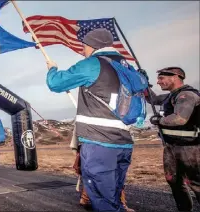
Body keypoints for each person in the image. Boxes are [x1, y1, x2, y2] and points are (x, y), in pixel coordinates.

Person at [46, 28, 140, 211]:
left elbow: (55, 83)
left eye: (84, 46)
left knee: (103, 198)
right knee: (115, 195)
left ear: (91, 46)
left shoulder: (92, 64)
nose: (82, 50)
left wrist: (52, 69)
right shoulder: (128, 67)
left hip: (99, 143)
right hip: (124, 142)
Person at [144, 67, 200, 211]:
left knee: (195, 184)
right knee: (173, 181)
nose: (158, 82)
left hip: (190, 149)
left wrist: (159, 120)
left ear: (175, 77)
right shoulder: (170, 96)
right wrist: (144, 85)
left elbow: (180, 118)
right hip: (171, 147)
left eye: (161, 78)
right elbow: (154, 99)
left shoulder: (187, 95)